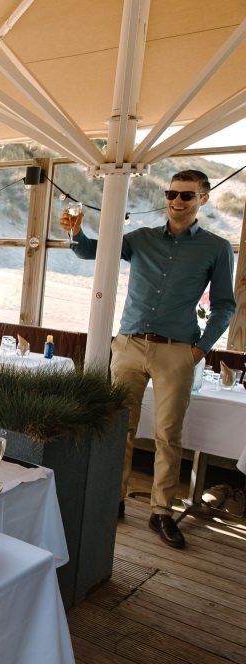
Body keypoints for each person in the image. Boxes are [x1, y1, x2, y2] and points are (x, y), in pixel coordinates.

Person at [62, 169, 236, 549]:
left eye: (187, 196)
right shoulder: (140, 239)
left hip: (178, 350)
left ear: (203, 200)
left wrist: (199, 350)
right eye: (172, 193)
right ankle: (115, 501)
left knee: (168, 435)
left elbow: (225, 305)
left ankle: (161, 512)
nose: (176, 200)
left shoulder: (216, 248)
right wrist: (75, 233)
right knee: (119, 428)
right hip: (128, 346)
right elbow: (95, 252)